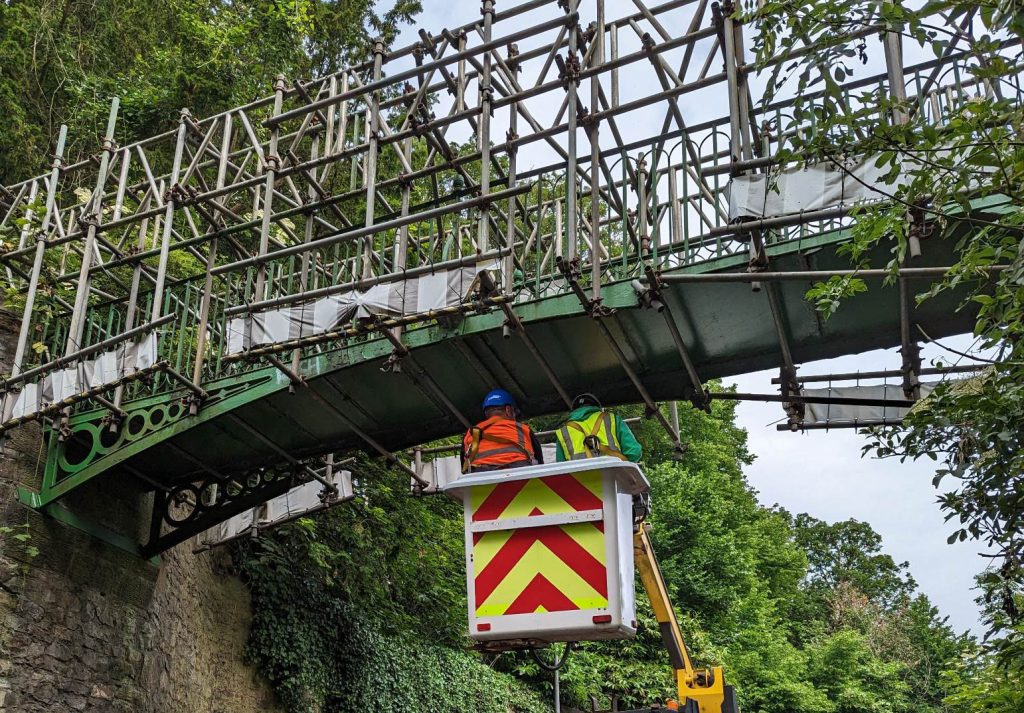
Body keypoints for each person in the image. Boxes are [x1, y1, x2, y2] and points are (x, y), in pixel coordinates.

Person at [461, 389, 543, 473]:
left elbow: (464, 468)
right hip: (519, 472)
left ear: (486, 413)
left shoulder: (471, 433)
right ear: (508, 410)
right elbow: (540, 462)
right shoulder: (523, 429)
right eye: (515, 413)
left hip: (480, 475)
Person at [554, 393, 642, 463]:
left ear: (574, 411)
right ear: (597, 408)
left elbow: (560, 465)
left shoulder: (563, 432)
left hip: (580, 482)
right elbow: (634, 451)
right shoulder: (612, 419)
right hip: (614, 477)